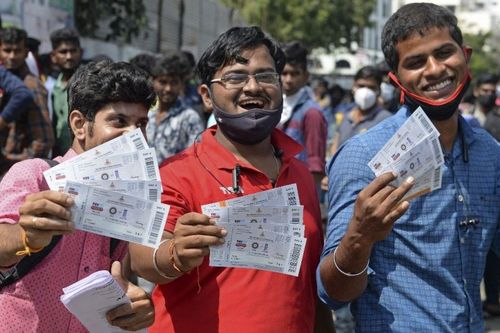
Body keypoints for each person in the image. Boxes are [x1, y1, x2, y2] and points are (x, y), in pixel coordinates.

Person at [128, 26, 333, 333]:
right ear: (206, 97)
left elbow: (308, 283)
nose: (253, 87)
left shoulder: (300, 173)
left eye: (266, 76)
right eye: (235, 77)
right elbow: (144, 259)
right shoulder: (177, 173)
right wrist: (176, 253)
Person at [318, 3, 500, 332]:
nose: (434, 70)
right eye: (415, 62)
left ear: (465, 55)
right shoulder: (364, 156)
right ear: (396, 79)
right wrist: (360, 237)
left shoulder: (490, 153)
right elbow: (333, 293)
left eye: (444, 53)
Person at [0, 60, 157, 332]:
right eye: (119, 121)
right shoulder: (35, 174)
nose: (133, 135)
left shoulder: (128, 201)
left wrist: (138, 306)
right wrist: (27, 235)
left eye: (141, 124)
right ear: (79, 124)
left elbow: (122, 275)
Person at [0, 27, 54, 175]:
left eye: (17, 51)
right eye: (7, 50)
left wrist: (17, 165)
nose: (11, 56)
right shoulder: (5, 80)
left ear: (25, 52)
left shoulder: (31, 85)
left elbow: (43, 140)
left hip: (12, 171)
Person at [278, 41, 327, 188]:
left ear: (306, 76)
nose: (288, 80)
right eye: (284, 73)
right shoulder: (275, 106)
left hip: (299, 190)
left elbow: (315, 165)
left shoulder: (312, 113)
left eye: (294, 74)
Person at [146, 51, 204, 165]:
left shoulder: (190, 118)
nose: (168, 88)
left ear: (181, 84)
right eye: (163, 82)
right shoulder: (147, 113)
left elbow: (196, 159)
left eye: (174, 83)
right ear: (153, 81)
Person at [328, 66, 393, 157]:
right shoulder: (346, 117)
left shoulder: (386, 120)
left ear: (378, 90)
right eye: (361, 86)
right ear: (353, 86)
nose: (365, 92)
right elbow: (335, 147)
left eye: (371, 87)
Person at [46, 28, 83, 156]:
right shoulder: (51, 88)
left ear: (81, 52)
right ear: (53, 56)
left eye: (73, 51)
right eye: (63, 52)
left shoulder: (90, 84)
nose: (69, 57)